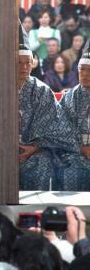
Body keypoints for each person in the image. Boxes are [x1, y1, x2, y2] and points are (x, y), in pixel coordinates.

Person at [17, 24, 80, 190]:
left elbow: (56, 126)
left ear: (33, 63)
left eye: (27, 63)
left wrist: (34, 148)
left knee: (43, 162)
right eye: (18, 63)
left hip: (36, 151)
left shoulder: (41, 90)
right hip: (1, 150)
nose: (24, 67)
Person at [60, 42, 90, 191]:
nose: (84, 74)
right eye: (81, 70)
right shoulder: (68, 97)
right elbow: (61, 129)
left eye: (89, 70)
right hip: (75, 152)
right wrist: (80, 148)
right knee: (69, 164)